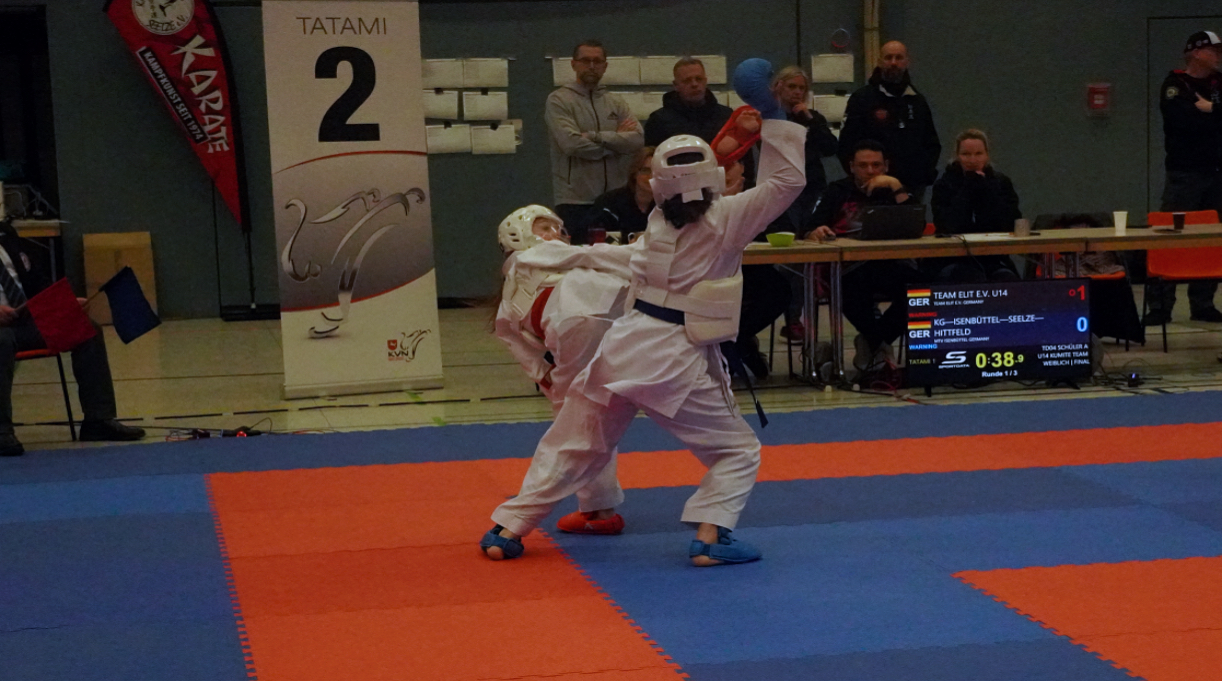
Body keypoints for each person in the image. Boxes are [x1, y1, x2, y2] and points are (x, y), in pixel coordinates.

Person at [480, 58, 806, 567]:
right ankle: (711, 537)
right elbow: (785, 182)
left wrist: (563, 254)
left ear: (656, 186)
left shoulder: (658, 223)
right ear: (714, 179)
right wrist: (775, 117)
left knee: (577, 441)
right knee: (737, 451)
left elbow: (627, 245)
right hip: (675, 358)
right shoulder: (727, 218)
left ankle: (507, 528)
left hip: (622, 347)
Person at [494, 205, 633, 534]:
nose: (554, 235)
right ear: (518, 235)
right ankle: (599, 508)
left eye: (558, 229)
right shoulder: (528, 261)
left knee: (578, 423)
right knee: (591, 418)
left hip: (595, 318)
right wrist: (542, 373)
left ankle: (524, 517)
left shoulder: (557, 259)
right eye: (544, 228)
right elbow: (509, 334)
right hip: (596, 323)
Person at [0, 221, 145, 457]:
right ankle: (1, 431)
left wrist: (65, 303)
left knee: (86, 328)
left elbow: (38, 283)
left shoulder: (6, 235)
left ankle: (98, 420)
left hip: (25, 320)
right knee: (1, 341)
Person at [804, 139, 924, 373]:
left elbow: (916, 227)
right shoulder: (837, 190)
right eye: (863, 165)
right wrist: (816, 231)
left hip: (888, 264)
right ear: (852, 167)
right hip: (848, 268)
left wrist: (896, 186)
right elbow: (808, 228)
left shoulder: (894, 190)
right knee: (848, 291)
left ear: (886, 166)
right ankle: (877, 344)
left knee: (921, 289)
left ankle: (872, 340)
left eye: (876, 165)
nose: (870, 171)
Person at [1145, 30, 1222, 325]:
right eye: (1213, 50)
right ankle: (1160, 305)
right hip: (1185, 173)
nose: (1218, 56)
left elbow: (1205, 120)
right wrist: (1215, 118)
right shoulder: (1175, 85)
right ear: (1196, 53)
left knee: (1211, 237)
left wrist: (1212, 109)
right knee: (1171, 234)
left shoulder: (1219, 83)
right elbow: (1186, 123)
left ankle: (1203, 302)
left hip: (1216, 172)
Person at [546, 39, 643, 244]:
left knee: (619, 257)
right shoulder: (558, 100)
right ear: (574, 64)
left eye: (597, 61)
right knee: (580, 258)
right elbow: (571, 144)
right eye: (585, 60)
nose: (591, 66)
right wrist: (616, 143)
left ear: (605, 66)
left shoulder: (615, 102)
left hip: (616, 199)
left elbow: (637, 140)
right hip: (576, 201)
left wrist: (595, 137)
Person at [770, 65, 839, 341]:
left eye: (801, 88)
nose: (797, 92)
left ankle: (800, 317)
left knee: (808, 252)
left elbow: (831, 148)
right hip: (781, 189)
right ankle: (788, 313)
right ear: (779, 88)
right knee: (790, 254)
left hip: (811, 188)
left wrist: (808, 118)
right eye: (791, 87)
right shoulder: (770, 116)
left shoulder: (813, 118)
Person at [838, 41, 940, 202]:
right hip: (870, 187)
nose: (893, 62)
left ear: (907, 62)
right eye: (888, 57)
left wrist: (923, 176)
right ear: (879, 61)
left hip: (910, 188)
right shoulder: (862, 99)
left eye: (898, 58)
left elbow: (931, 143)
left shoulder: (917, 101)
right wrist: (859, 179)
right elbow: (846, 144)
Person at [928, 129, 1022, 282]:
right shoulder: (944, 184)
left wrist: (987, 190)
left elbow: (1009, 222)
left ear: (987, 155)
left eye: (978, 154)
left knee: (1005, 278)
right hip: (953, 257)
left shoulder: (1001, 182)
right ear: (957, 156)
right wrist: (968, 187)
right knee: (969, 276)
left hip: (993, 256)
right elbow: (947, 226)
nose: (972, 160)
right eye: (966, 154)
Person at [646, 57, 759, 183]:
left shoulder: (726, 115)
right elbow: (650, 163)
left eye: (698, 79)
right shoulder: (658, 121)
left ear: (705, 81)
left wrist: (746, 185)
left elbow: (744, 157)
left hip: (725, 187)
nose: (694, 84)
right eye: (687, 80)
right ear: (676, 86)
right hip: (678, 188)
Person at [588, 147, 656, 244]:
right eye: (646, 170)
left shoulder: (671, 204)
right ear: (634, 173)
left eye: (657, 171)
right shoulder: (609, 203)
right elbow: (599, 239)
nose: (652, 176)